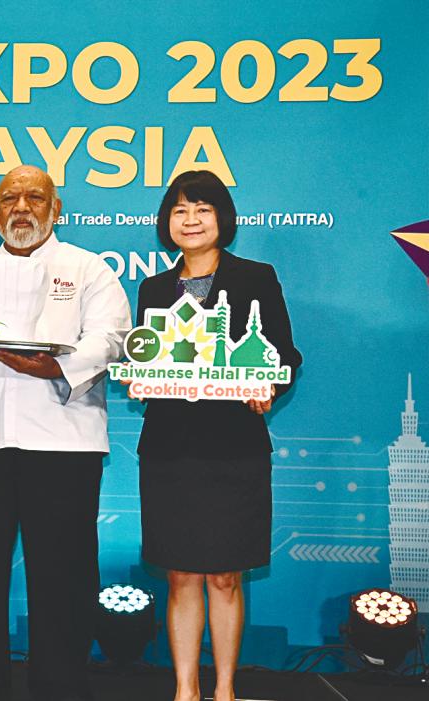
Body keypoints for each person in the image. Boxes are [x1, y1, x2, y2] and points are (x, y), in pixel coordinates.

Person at [0, 165, 132, 701]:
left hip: (63, 442)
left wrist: (51, 365)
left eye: (34, 197)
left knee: (64, 580)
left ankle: (60, 689)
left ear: (55, 209)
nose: (21, 207)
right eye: (9, 197)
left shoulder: (89, 270)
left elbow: (110, 339)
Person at [134, 170, 302, 701]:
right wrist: (141, 378)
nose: (190, 220)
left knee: (226, 577)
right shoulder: (154, 289)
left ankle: (225, 689)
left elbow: (284, 355)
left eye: (202, 209)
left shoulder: (255, 278)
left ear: (222, 219)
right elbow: (148, 357)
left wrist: (268, 385)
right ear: (167, 223)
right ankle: (185, 689)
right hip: (169, 450)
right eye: (180, 210)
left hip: (233, 451)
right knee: (181, 576)